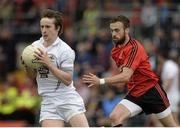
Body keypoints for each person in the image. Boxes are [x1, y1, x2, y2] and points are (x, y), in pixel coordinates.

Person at [82, 15, 178, 127]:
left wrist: (101, 81)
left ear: (126, 30)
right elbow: (125, 76)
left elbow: (125, 76)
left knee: (172, 126)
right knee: (114, 116)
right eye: (112, 30)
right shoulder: (115, 51)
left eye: (117, 30)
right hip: (135, 93)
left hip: (152, 92)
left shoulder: (134, 48)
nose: (114, 34)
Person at [21, 9, 89, 127]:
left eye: (48, 27)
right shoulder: (34, 47)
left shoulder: (65, 50)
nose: (44, 30)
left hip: (67, 99)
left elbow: (68, 80)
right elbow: (32, 76)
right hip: (48, 101)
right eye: (42, 26)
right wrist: (27, 67)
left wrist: (48, 63)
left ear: (57, 28)